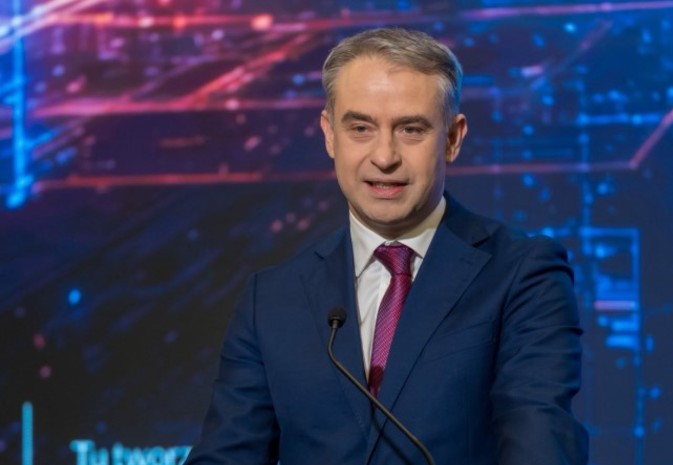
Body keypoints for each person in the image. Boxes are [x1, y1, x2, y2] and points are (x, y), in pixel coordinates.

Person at [185, 27, 588, 465]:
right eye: (360, 128)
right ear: (329, 134)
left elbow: (539, 441)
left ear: (452, 138)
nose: (384, 157)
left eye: (411, 130)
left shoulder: (523, 274)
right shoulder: (272, 299)